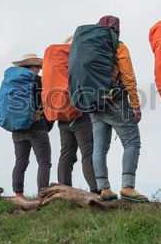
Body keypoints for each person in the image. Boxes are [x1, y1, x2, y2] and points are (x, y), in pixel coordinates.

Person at [89, 16, 147, 202]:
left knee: (99, 148)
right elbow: (128, 77)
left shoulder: (89, 47)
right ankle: (128, 187)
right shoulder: (118, 47)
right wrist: (136, 105)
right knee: (132, 142)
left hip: (94, 102)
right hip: (116, 102)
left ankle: (104, 188)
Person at [53, 36, 98, 194]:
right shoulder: (76, 62)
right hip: (80, 113)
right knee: (88, 152)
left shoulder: (57, 64)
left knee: (66, 152)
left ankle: (64, 189)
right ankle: (95, 189)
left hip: (62, 114)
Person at [9, 53, 53, 197]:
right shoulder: (40, 81)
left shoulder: (14, 82)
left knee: (21, 161)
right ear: (32, 66)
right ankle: (43, 193)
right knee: (44, 162)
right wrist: (48, 123)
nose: (39, 70)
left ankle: (18, 194)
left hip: (17, 127)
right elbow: (48, 102)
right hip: (36, 125)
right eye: (38, 67)